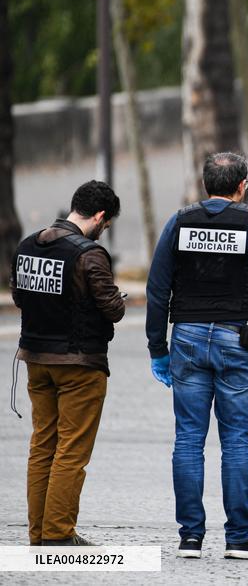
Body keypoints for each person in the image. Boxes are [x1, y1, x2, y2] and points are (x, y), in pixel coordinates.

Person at [145, 152, 248, 560]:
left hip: (187, 336)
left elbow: (157, 287)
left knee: (188, 439)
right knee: (236, 441)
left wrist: (157, 348)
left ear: (205, 186)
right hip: (239, 336)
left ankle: (190, 538)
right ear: (242, 187)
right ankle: (238, 538)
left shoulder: (180, 222)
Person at [12, 180, 125, 546]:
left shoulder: (28, 245)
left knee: (42, 445)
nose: (103, 232)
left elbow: (19, 295)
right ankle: (59, 534)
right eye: (105, 226)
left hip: (35, 360)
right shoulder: (89, 254)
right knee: (71, 451)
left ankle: (38, 533)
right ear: (100, 216)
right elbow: (113, 309)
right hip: (79, 364)